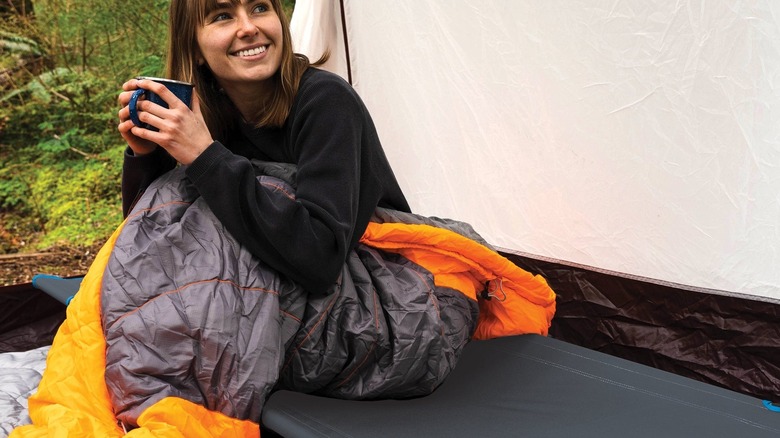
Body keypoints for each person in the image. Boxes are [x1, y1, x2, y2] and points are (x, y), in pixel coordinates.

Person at [116, 0, 411, 296]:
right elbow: (149, 243)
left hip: (382, 288)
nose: (248, 28)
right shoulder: (205, 116)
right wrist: (147, 156)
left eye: (259, 8)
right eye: (222, 16)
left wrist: (206, 157)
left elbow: (322, 257)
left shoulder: (326, 101)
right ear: (193, 48)